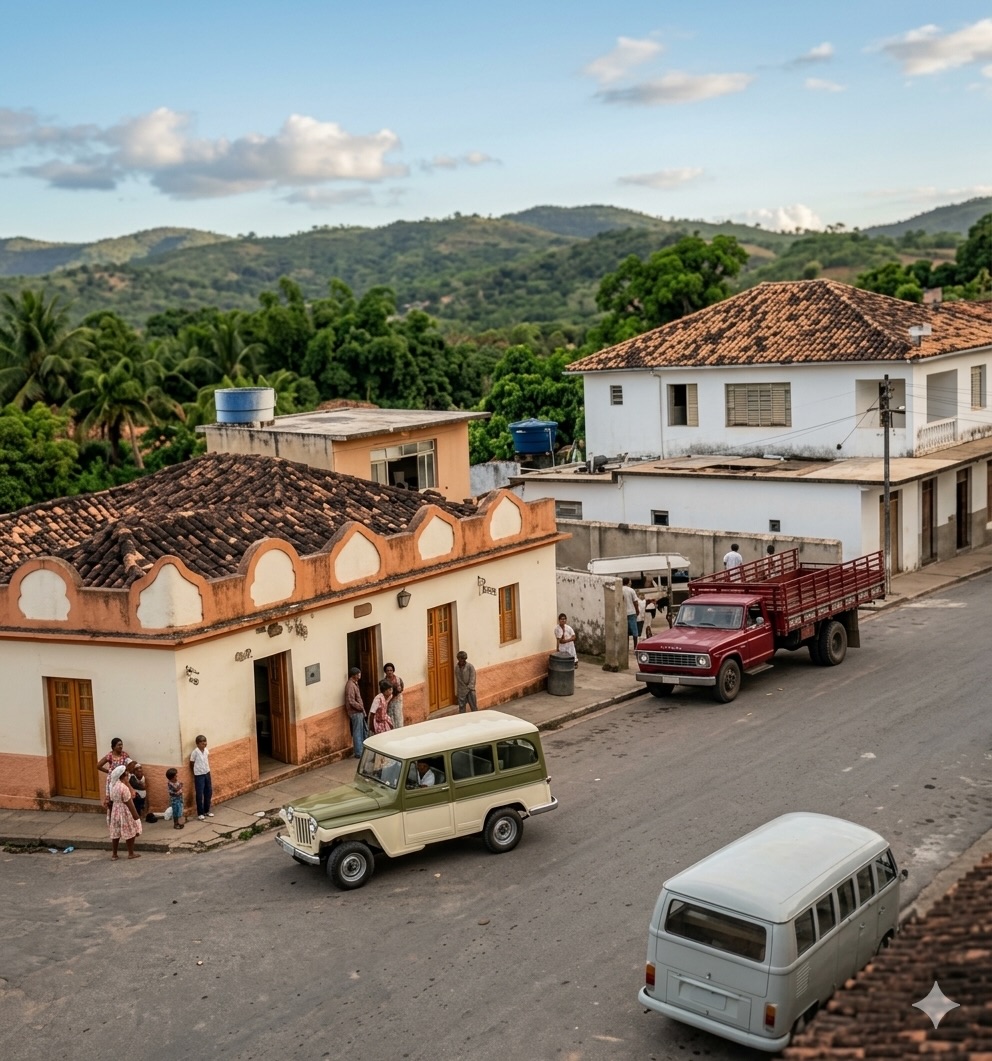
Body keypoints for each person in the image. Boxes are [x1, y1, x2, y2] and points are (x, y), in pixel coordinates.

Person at [107, 763, 141, 859]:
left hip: (115, 810)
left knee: (115, 832)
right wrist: (136, 816)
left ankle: (114, 854)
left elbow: (111, 800)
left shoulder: (113, 786)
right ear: (123, 776)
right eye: (126, 775)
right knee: (130, 830)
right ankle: (131, 853)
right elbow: (129, 802)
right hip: (124, 811)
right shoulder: (124, 788)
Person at [97, 738, 131, 810]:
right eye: (118, 745)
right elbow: (98, 766)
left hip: (122, 780)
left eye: (121, 744)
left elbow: (130, 765)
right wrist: (109, 772)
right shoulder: (110, 755)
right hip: (112, 781)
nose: (121, 746)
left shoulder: (125, 755)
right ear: (113, 747)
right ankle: (113, 815)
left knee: (123, 797)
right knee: (112, 799)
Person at [189, 734, 213, 820]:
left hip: (207, 772)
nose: (204, 744)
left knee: (208, 792)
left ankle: (207, 810)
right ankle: (200, 813)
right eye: (202, 742)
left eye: (205, 742)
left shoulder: (206, 750)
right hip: (199, 775)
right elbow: (191, 763)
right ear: (197, 744)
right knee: (199, 793)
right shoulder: (195, 752)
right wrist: (196, 771)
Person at [345, 667, 366, 758]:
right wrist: (360, 707)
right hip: (355, 712)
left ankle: (362, 750)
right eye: (358, 674)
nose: (360, 675)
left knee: (362, 731)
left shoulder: (354, 684)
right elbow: (351, 700)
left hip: (358, 712)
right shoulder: (350, 685)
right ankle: (358, 752)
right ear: (355, 675)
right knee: (357, 732)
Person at [383, 663, 404, 729]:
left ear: (393, 671)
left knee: (398, 717)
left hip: (397, 701)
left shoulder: (398, 679)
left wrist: (399, 689)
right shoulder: (384, 682)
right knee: (390, 717)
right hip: (389, 702)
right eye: (388, 670)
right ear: (385, 672)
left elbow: (402, 687)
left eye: (391, 670)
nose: (389, 672)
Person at [622, 577, 639, 649]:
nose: (631, 582)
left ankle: (626, 648)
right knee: (635, 631)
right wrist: (637, 610)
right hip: (631, 612)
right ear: (628, 582)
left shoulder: (620, 589)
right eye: (630, 581)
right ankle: (635, 647)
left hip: (623, 613)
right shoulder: (631, 590)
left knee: (626, 631)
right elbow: (635, 601)